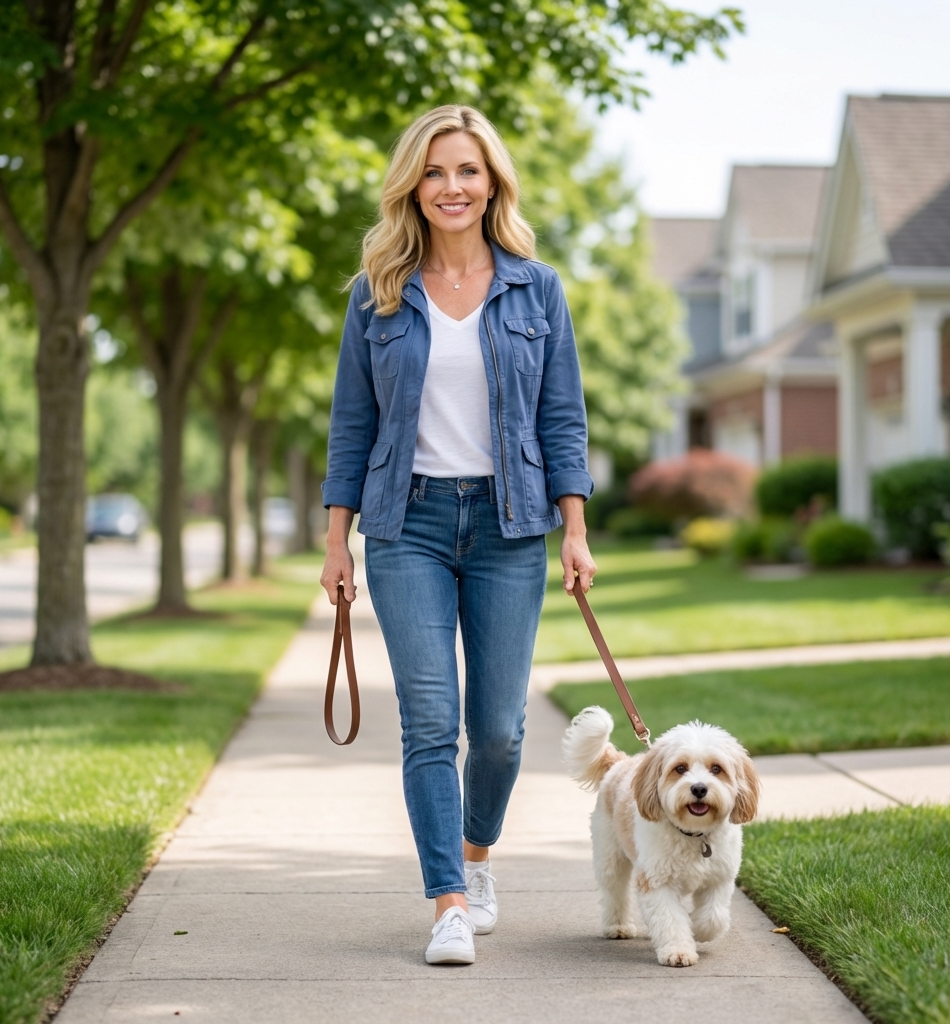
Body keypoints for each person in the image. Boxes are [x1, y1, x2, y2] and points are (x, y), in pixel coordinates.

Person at [320, 105, 596, 966]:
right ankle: (445, 899)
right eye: (435, 172)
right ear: (414, 183)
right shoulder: (378, 292)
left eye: (467, 171)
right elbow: (350, 426)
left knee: (502, 728)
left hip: (512, 523)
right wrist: (338, 544)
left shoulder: (535, 287)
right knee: (430, 720)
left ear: (492, 183)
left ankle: (477, 857)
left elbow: (562, 418)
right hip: (408, 524)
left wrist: (576, 529)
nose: (451, 187)